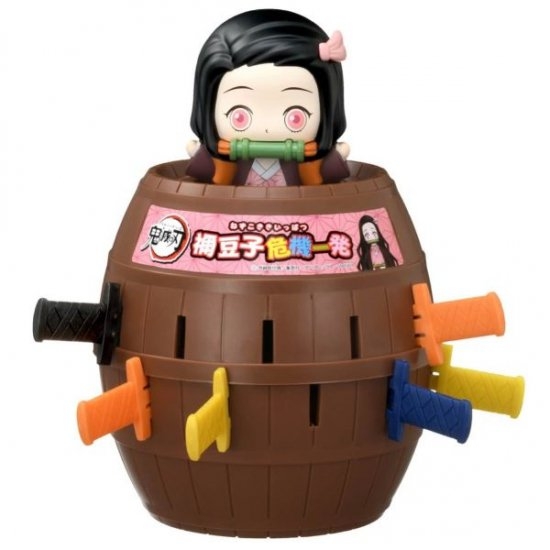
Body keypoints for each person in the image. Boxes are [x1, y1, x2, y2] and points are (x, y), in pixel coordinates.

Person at [186, 9, 350, 186]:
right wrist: (202, 155)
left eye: (296, 117)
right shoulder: (228, 160)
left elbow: (326, 180)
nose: (267, 128)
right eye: (239, 116)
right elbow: (206, 179)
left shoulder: (306, 163)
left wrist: (335, 158)